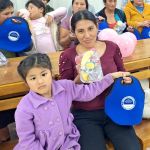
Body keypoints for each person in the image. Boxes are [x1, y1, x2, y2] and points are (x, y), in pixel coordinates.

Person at [59, 10, 141, 150]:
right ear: (74, 33)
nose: (87, 35)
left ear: (97, 26)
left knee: (131, 147)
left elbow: (123, 73)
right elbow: (64, 92)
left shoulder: (112, 47)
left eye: (91, 28)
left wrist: (126, 80)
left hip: (115, 109)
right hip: (85, 115)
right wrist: (79, 79)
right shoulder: (67, 56)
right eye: (81, 31)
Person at [14, 53, 126, 150]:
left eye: (44, 74)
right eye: (33, 78)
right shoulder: (24, 107)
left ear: (51, 73)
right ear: (26, 82)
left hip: (67, 144)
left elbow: (88, 92)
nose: (40, 81)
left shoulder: (65, 87)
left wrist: (110, 78)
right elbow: (27, 141)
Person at [0, 0, 16, 144]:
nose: (10, 16)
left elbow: (27, 45)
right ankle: (4, 138)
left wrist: (26, 28)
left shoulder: (14, 27)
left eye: (12, 12)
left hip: (15, 74)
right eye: (6, 13)